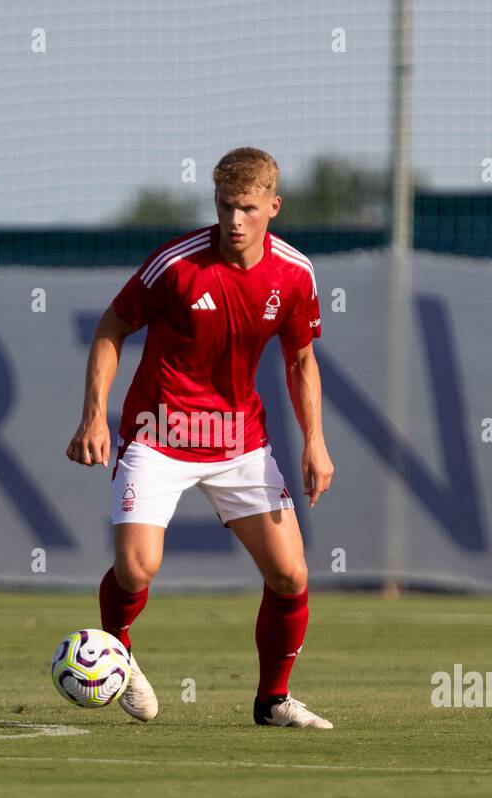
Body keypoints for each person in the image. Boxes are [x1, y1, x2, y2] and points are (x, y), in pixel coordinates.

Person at [66, 147, 334, 728]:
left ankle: (273, 701)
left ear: (272, 207)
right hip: (158, 435)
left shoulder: (294, 274)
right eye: (223, 206)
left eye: (245, 208)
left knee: (291, 575)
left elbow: (302, 360)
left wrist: (315, 441)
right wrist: (94, 415)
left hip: (239, 442)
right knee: (137, 569)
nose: (233, 220)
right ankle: (118, 657)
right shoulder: (178, 264)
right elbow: (113, 325)